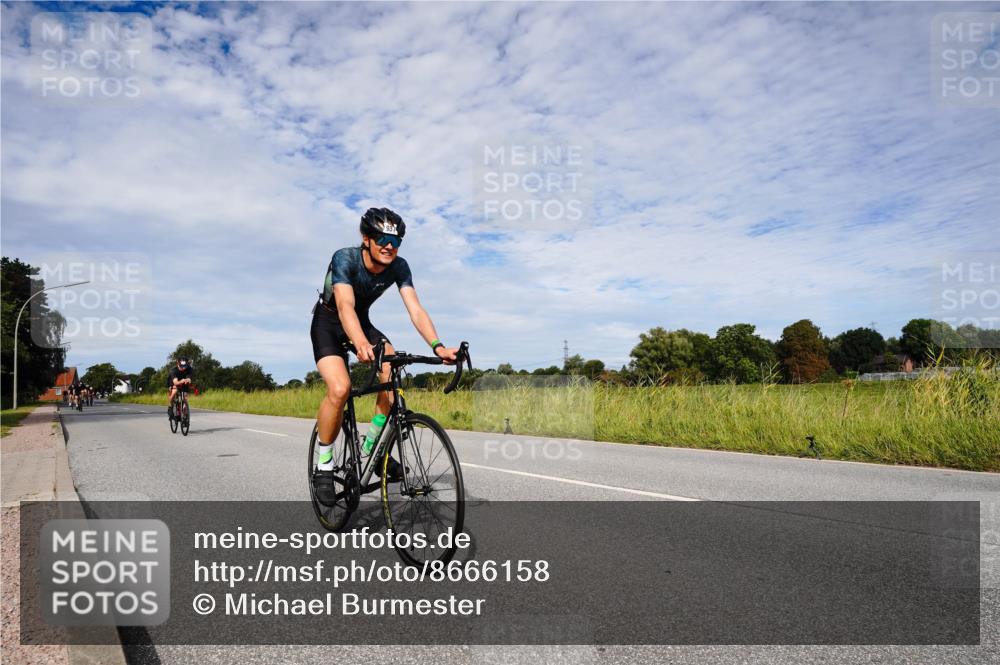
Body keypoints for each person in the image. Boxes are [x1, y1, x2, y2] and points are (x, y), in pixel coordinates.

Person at [310, 207, 458, 505]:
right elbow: (345, 307)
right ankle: (324, 465)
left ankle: (372, 450)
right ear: (366, 238)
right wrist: (360, 342)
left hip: (362, 322)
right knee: (339, 389)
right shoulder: (346, 258)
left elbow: (415, 309)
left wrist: (438, 346)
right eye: (382, 238)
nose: (389, 246)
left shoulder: (399, 266)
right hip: (329, 323)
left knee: (391, 374)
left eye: (396, 240)